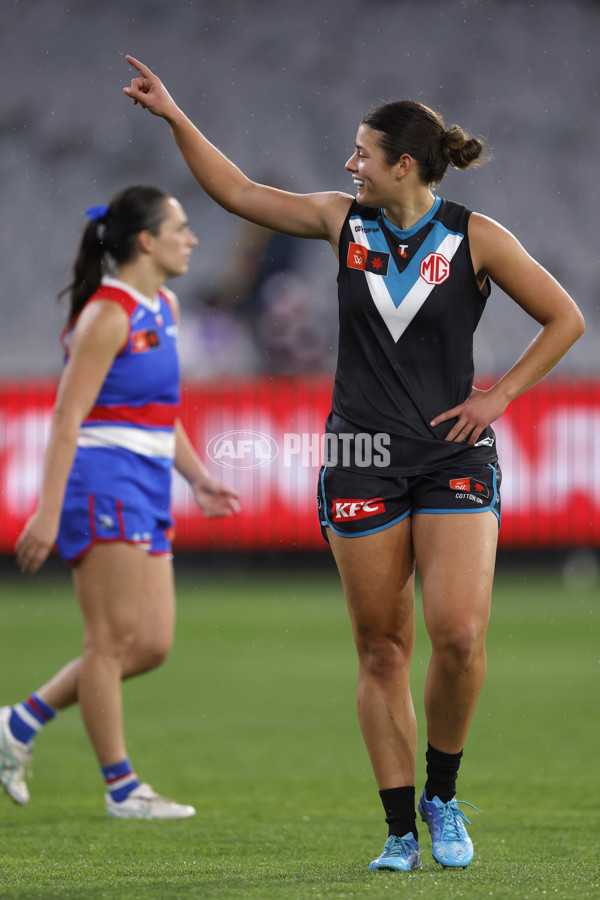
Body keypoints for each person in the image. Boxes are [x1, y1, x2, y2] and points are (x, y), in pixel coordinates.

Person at [121, 58, 584, 865]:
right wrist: (174, 116)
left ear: (402, 163)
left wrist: (499, 397)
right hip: (361, 458)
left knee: (462, 636)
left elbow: (565, 317)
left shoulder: (476, 237)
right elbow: (235, 191)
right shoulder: (342, 223)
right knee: (380, 650)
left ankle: (443, 795)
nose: (349, 165)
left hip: (452, 459)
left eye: (361, 153)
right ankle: (399, 831)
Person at [3, 185, 240, 819]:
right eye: (181, 228)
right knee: (107, 640)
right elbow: (65, 418)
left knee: (151, 644)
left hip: (147, 484)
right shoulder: (107, 316)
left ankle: (18, 724)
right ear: (146, 240)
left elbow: (159, 415)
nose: (191, 239)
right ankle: (122, 788)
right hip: (100, 483)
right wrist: (48, 512)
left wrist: (195, 477)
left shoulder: (163, 305)